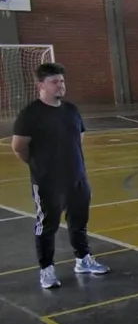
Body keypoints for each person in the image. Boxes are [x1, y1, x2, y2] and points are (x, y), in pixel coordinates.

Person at [11, 62, 109, 288]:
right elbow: (19, 147)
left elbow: (78, 138)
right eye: (54, 82)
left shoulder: (71, 110)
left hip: (77, 178)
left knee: (79, 222)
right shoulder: (30, 114)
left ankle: (83, 260)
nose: (60, 85)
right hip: (47, 183)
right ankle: (46, 269)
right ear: (41, 85)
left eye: (62, 81)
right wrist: (39, 167)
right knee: (47, 226)